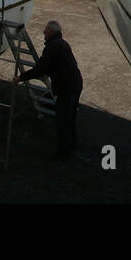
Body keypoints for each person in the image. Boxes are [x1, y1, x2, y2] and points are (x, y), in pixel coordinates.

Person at [17, 21, 83, 159]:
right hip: (74, 84)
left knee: (63, 120)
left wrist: (20, 78)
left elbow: (41, 69)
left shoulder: (52, 47)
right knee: (70, 117)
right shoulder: (62, 44)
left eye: (46, 30)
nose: (43, 32)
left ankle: (64, 153)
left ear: (52, 32)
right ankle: (73, 145)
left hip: (67, 87)